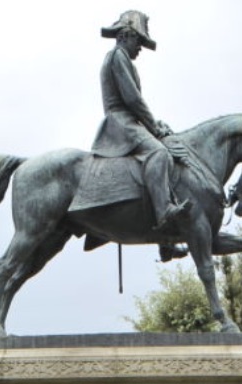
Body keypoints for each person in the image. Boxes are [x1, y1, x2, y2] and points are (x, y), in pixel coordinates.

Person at [93, 10, 191, 253]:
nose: (140, 49)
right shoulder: (118, 56)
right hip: (121, 123)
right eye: (139, 41)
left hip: (130, 121)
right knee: (159, 153)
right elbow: (133, 99)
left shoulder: (123, 59)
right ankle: (164, 213)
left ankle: (164, 242)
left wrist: (156, 124)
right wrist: (154, 126)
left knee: (164, 151)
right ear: (126, 35)